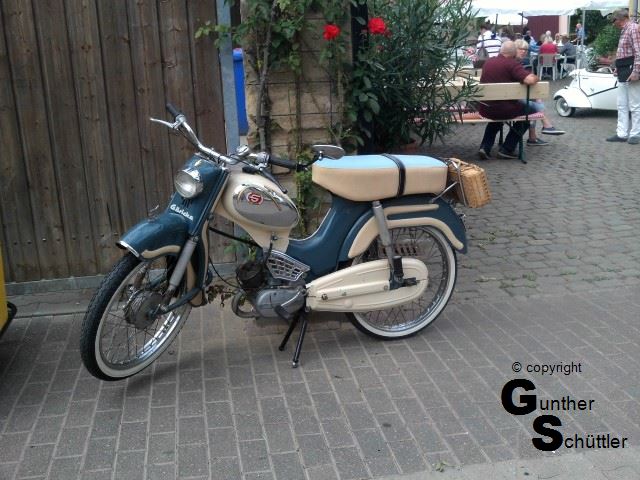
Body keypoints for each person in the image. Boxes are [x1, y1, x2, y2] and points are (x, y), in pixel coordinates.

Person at [477, 41, 539, 159]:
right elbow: (530, 80)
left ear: (501, 50)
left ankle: (485, 147)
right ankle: (507, 148)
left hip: (486, 108)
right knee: (530, 112)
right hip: (505, 109)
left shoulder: (488, 62)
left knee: (496, 116)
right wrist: (536, 77)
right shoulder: (512, 64)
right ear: (514, 52)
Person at [514, 39, 566, 146]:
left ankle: (534, 136)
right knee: (536, 106)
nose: (523, 51)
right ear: (514, 49)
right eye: (521, 49)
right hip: (511, 101)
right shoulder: (515, 65)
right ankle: (545, 126)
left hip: (513, 97)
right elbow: (529, 79)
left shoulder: (520, 63)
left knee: (535, 99)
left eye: (525, 49)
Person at [606, 9, 640, 144]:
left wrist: (636, 71)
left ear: (620, 19)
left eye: (614, 21)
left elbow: (638, 52)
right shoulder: (624, 30)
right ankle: (622, 133)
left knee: (635, 104)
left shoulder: (634, 28)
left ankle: (636, 133)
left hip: (631, 69)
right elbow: (624, 52)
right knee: (621, 104)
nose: (614, 24)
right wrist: (618, 68)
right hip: (623, 69)